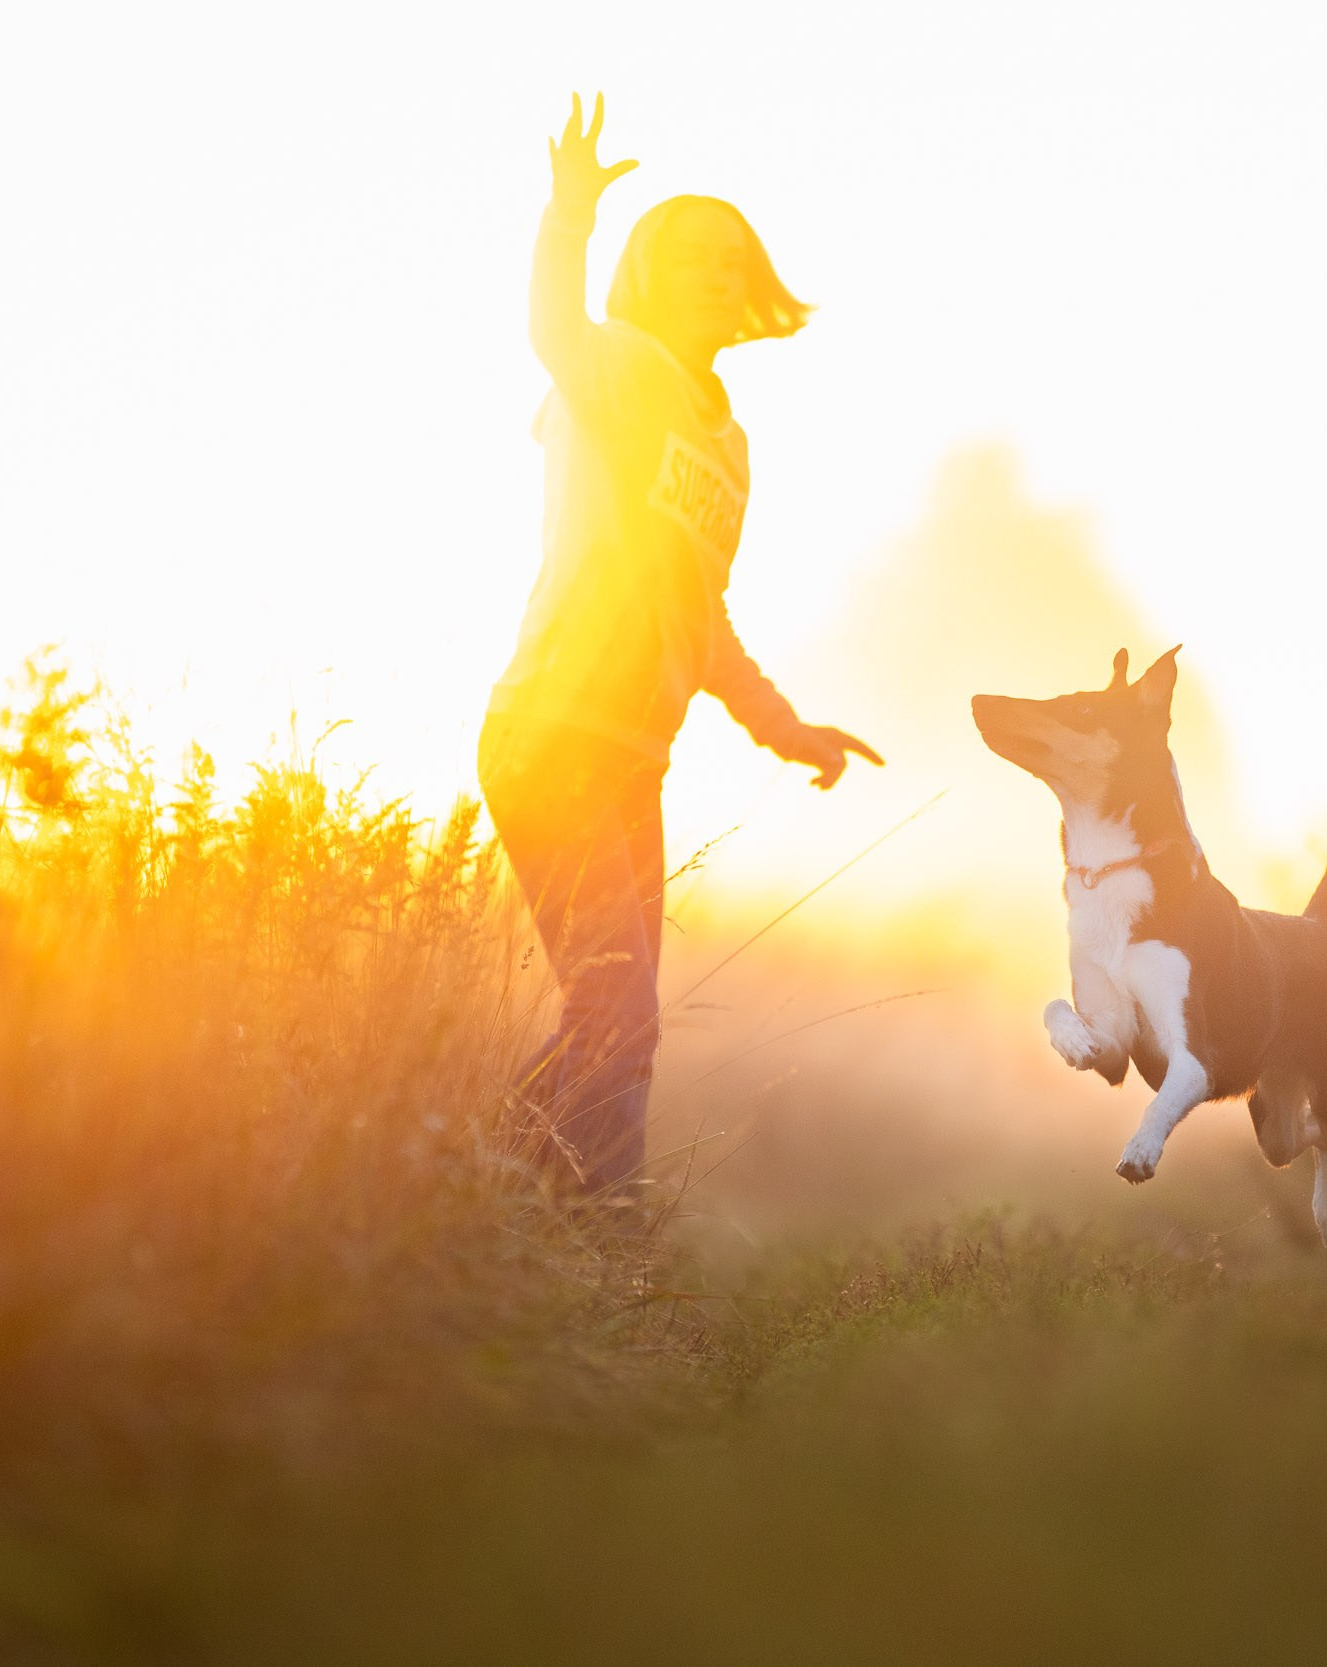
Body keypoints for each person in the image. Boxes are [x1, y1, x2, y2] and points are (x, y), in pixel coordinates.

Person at [481, 94, 881, 1195]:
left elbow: (702, 619)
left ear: (748, 286)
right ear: (645, 276)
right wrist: (568, 216)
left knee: (628, 1029)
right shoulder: (619, 368)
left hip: (630, 759)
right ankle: (516, 1200)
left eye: (727, 257)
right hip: (552, 729)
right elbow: (553, 333)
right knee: (612, 1009)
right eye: (685, 252)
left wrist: (785, 727)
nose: (709, 270)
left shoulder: (728, 443)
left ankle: (544, 1215)